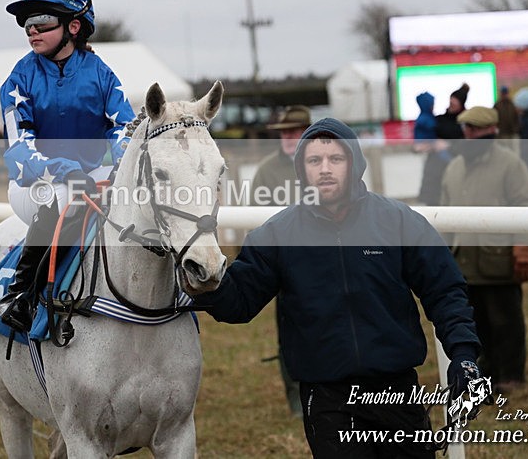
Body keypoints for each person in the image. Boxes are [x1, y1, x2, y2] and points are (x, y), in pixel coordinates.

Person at [193, 118, 481, 458]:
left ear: (355, 163)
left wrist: (463, 354)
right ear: (302, 169)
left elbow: (445, 290)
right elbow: (238, 303)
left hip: (397, 391)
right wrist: (201, 271)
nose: (325, 169)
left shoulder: (397, 221)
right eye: (314, 161)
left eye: (336, 159)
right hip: (327, 397)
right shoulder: (277, 235)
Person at [0, 0, 135, 332]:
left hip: (91, 176)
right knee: (67, 195)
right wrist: (64, 169)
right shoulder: (17, 80)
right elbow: (19, 150)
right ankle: (20, 294)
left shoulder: (102, 74)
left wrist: (122, 162)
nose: (31, 30)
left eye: (41, 21)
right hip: (35, 184)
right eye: (26, 24)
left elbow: (124, 128)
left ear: (73, 26)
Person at [440, 106, 528, 394]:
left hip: (499, 259)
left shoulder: (511, 164)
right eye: (465, 129)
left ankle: (511, 377)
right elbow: (446, 213)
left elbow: (524, 206)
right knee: (475, 322)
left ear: (491, 132)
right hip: (464, 262)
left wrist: (521, 246)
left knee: (506, 321)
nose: (468, 135)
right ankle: (484, 377)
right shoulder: (453, 167)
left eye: (474, 130)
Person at [250, 105, 312, 418]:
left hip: (328, 261)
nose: (288, 137)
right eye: (284, 132)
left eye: (294, 131)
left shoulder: (325, 164)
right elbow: (255, 223)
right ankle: (297, 398)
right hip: (287, 267)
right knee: (290, 335)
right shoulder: (266, 171)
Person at [493, 86, 520, 152]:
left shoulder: (512, 104)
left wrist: (516, 129)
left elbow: (516, 117)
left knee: (514, 151)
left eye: (505, 93)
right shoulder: (497, 105)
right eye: (503, 93)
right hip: (502, 134)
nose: (504, 95)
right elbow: (494, 119)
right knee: (504, 152)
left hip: (512, 133)